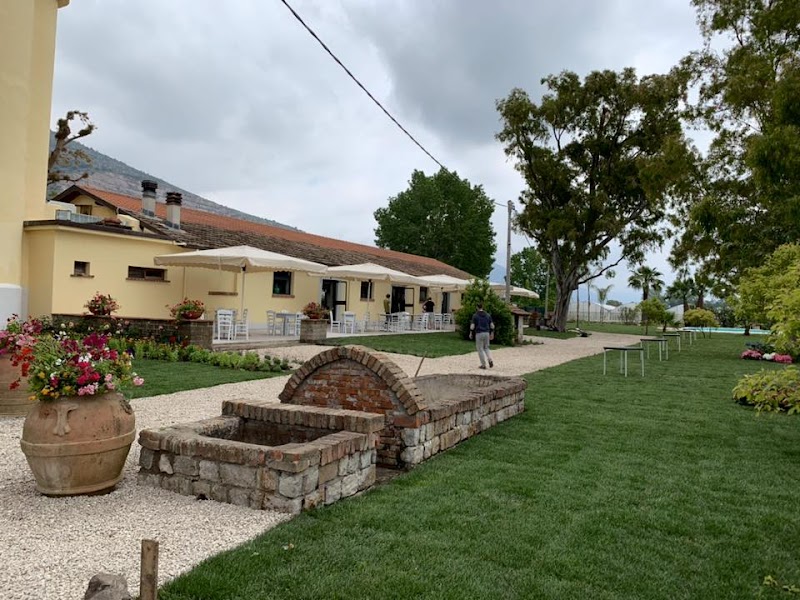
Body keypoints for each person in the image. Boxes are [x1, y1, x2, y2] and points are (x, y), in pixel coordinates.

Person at [469, 302, 495, 369]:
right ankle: (490, 359)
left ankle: (483, 365)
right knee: (486, 348)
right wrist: (492, 333)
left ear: (477, 307)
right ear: (482, 307)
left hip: (479, 333)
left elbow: (472, 326)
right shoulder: (488, 315)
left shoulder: (475, 315)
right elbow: (492, 326)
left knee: (480, 349)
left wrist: (471, 333)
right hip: (487, 333)